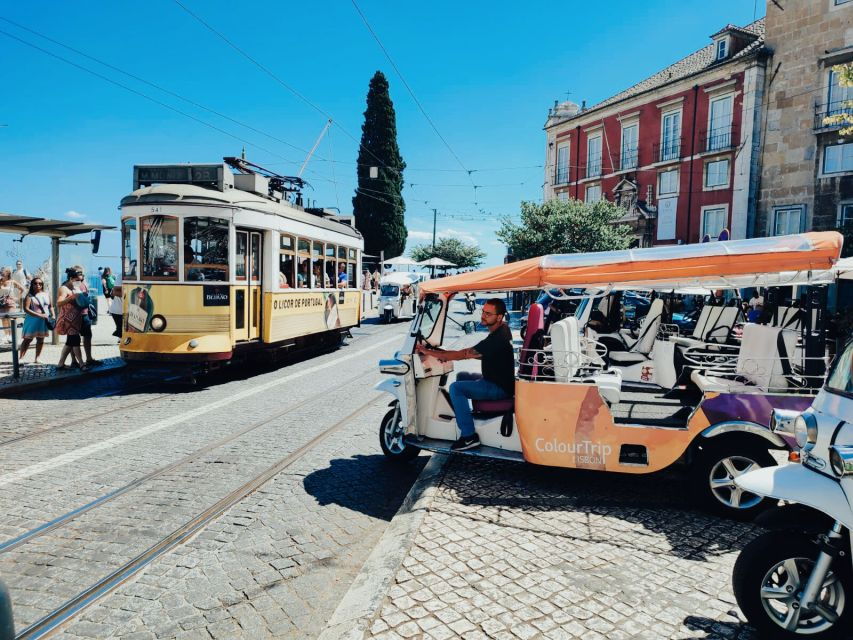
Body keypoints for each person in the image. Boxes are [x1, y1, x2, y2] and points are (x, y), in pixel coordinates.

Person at [415, 298, 515, 451]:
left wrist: (428, 352)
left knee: (456, 388)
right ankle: (467, 417)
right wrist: (443, 354)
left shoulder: (497, 338)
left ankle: (468, 436)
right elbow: (486, 354)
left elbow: (463, 354)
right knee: (462, 376)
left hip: (498, 387)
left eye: (488, 314)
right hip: (500, 381)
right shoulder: (503, 329)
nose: (483, 316)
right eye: (483, 312)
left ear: (499, 317)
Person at [55, 267, 86, 370]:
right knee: (75, 340)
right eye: (77, 280)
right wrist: (70, 298)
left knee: (70, 342)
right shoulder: (64, 288)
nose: (79, 282)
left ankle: (60, 364)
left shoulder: (75, 287)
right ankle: (82, 364)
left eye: (81, 280)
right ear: (71, 278)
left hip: (76, 319)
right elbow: (58, 303)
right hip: (68, 320)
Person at [18, 277, 52, 363]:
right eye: (35, 283)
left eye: (40, 283)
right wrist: (40, 315)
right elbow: (26, 309)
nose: (38, 285)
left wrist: (54, 316)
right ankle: (21, 358)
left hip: (43, 320)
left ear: (42, 285)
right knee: (28, 339)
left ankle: (37, 358)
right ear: (32, 285)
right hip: (32, 320)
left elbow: (50, 306)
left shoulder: (46, 294)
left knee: (41, 339)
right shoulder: (29, 296)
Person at [0, 267, 25, 344]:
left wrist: (17, 298)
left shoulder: (12, 282)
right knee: (3, 319)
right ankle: (6, 335)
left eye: (4, 272)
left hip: (10, 302)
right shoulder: (0, 281)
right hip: (1, 302)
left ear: (8, 273)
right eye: (1, 272)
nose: (2, 273)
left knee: (10, 319)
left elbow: (22, 289)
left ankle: (11, 335)